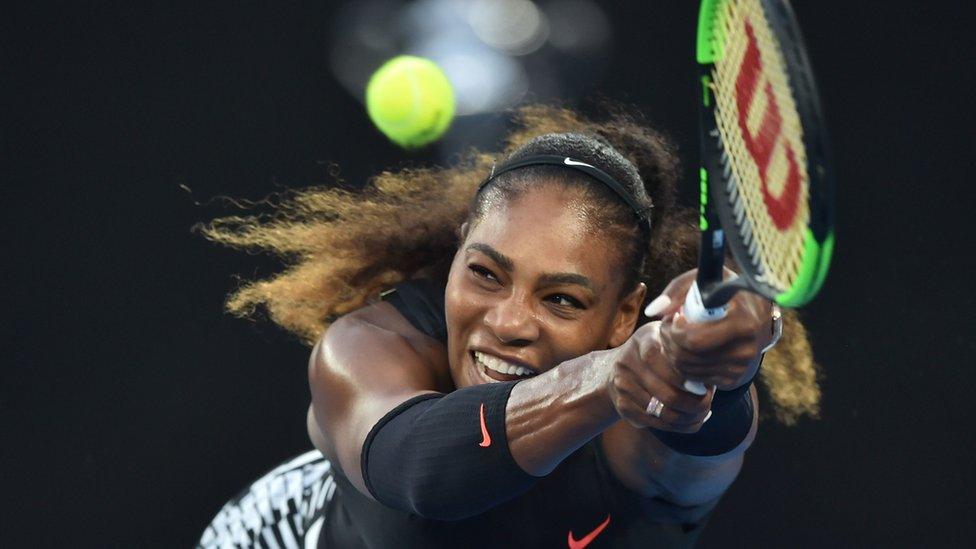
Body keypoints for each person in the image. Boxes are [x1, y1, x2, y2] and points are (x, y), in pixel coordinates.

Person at [196, 106, 820, 548]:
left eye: (562, 300)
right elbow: (418, 471)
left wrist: (722, 373)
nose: (510, 323)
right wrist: (605, 378)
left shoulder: (642, 425)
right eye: (487, 275)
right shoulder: (369, 348)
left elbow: (700, 441)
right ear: (461, 248)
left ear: (625, 315)